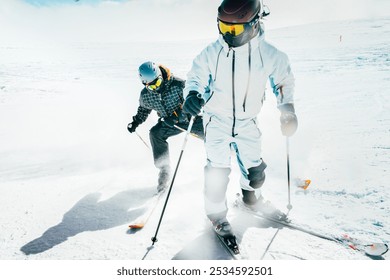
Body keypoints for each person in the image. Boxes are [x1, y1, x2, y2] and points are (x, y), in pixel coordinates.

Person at [182, 0, 298, 237]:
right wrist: (192, 94)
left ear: (254, 23)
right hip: (216, 121)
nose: (228, 35)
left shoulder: (270, 55)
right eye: (223, 28)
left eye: (234, 30)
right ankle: (216, 216)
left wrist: (287, 109)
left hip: (248, 122)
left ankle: (251, 200)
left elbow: (283, 81)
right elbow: (196, 76)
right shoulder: (213, 52)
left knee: (255, 171)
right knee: (217, 173)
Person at [127, 61, 204, 192]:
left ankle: (228, 151)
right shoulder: (146, 95)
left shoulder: (179, 85)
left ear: (160, 76)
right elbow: (144, 109)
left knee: (212, 132)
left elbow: (191, 103)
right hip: (169, 124)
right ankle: (164, 169)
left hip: (191, 121)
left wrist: (176, 116)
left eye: (156, 83)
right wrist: (136, 122)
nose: (155, 88)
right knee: (155, 134)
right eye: (150, 87)